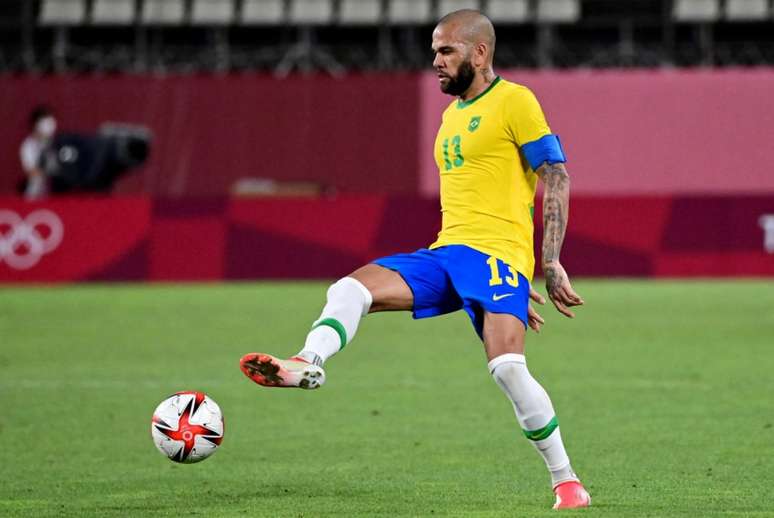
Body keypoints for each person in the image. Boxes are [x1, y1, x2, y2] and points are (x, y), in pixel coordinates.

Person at [240, 9, 591, 510]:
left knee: (508, 369)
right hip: (447, 253)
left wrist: (545, 260)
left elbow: (555, 174)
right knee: (349, 288)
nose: (436, 61)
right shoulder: (450, 117)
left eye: (446, 51)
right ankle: (306, 362)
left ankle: (567, 484)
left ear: (479, 52)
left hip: (494, 257)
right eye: (434, 51)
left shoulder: (516, 101)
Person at [19, 105, 58, 200]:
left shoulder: (56, 143)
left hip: (55, 193)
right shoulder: (28, 145)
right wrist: (48, 170)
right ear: (36, 124)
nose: (50, 125)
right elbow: (32, 172)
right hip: (35, 194)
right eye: (46, 122)